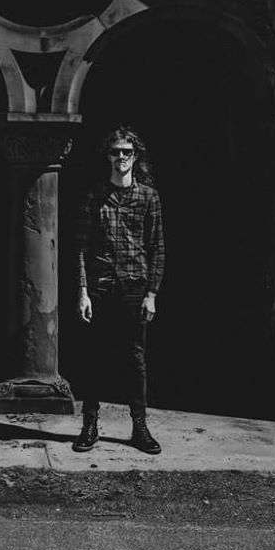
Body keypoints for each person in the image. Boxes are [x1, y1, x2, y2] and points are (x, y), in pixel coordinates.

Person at [73, 125, 165, 454]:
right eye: (116, 152)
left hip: (134, 288)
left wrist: (152, 294)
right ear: (108, 156)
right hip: (101, 286)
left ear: (135, 156)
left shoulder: (148, 196)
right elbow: (81, 247)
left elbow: (157, 247)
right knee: (94, 357)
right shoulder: (95, 195)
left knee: (135, 359)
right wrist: (82, 291)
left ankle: (139, 426)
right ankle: (90, 424)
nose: (121, 157)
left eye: (127, 152)